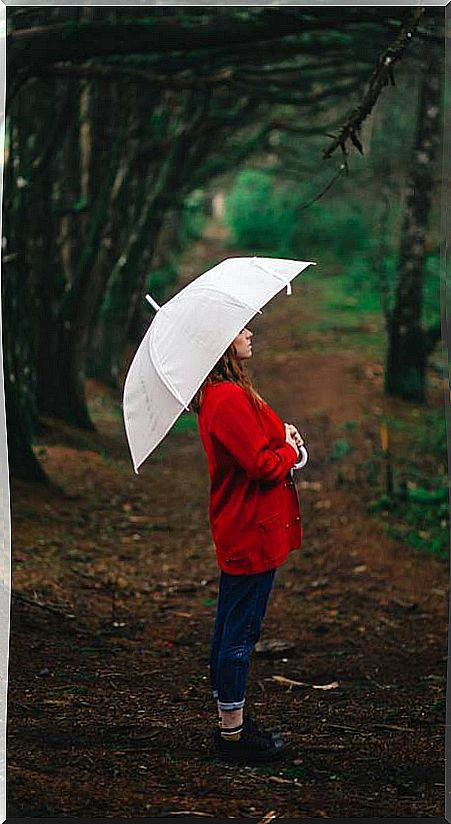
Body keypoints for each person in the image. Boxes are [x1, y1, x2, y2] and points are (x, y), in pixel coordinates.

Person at [189, 327, 304, 764]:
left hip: (247, 526)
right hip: (250, 530)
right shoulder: (227, 398)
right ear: (220, 343)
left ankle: (229, 716)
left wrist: (285, 443)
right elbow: (260, 465)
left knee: (230, 626)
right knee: (239, 632)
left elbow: (258, 450)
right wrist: (289, 452)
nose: (251, 331)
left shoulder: (226, 393)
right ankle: (232, 734)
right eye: (239, 329)